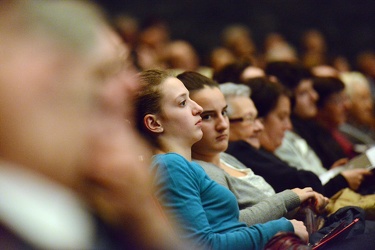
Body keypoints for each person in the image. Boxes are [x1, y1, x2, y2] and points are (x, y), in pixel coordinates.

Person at [0, 1, 184, 249]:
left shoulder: (100, 201)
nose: (132, 86)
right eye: (104, 72)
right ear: (43, 75)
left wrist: (142, 217)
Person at [134, 69, 308, 249]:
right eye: (183, 102)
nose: (198, 109)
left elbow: (224, 230)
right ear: (154, 123)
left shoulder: (177, 165)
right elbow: (202, 246)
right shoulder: (170, 166)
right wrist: (281, 226)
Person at [177, 71, 328, 227]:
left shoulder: (226, 158)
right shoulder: (201, 170)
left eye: (224, 113)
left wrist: (299, 207)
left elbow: (266, 207)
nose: (222, 125)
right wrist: (288, 199)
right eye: (207, 116)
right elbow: (229, 226)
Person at [264, 62, 371, 194]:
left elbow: (312, 175)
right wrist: (338, 179)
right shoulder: (286, 134)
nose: (314, 97)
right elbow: (302, 186)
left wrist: (332, 173)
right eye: (303, 93)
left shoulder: (303, 130)